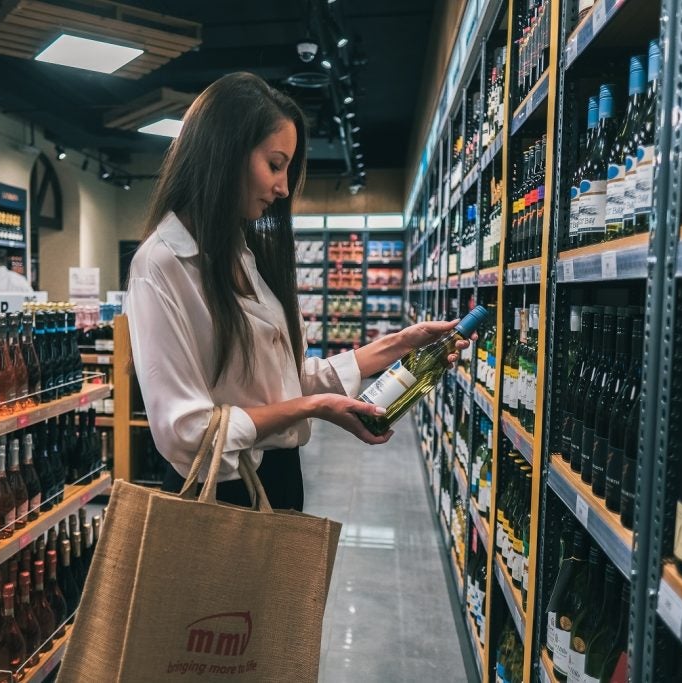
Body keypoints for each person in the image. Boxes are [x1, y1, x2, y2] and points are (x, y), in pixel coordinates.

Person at [125, 73, 470, 511]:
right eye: (274, 164)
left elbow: (284, 380)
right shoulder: (160, 266)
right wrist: (312, 407)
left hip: (278, 479)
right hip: (220, 494)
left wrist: (401, 343)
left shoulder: (243, 255)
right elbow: (187, 432)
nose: (284, 187)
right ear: (224, 153)